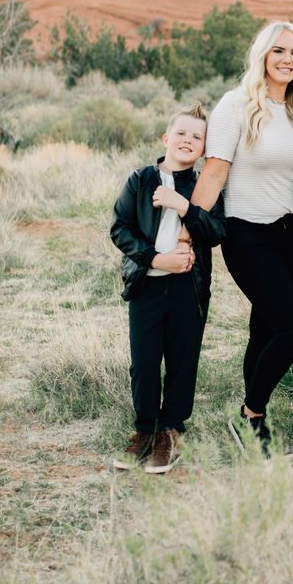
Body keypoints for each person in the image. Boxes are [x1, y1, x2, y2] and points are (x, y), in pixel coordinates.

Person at [184, 21, 293, 453]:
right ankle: (250, 415)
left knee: (264, 329)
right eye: (278, 50)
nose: (287, 60)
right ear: (262, 54)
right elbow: (215, 170)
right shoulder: (235, 105)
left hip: (289, 233)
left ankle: (253, 430)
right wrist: (188, 234)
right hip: (246, 234)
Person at [110, 104, 226, 474]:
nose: (187, 140)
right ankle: (144, 430)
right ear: (166, 138)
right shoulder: (141, 179)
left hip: (188, 291)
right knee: (144, 362)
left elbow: (217, 231)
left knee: (182, 359)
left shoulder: (205, 186)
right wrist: (154, 259)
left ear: (205, 148)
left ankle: (171, 431)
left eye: (197, 136)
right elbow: (120, 229)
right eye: (181, 133)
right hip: (145, 286)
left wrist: (184, 207)